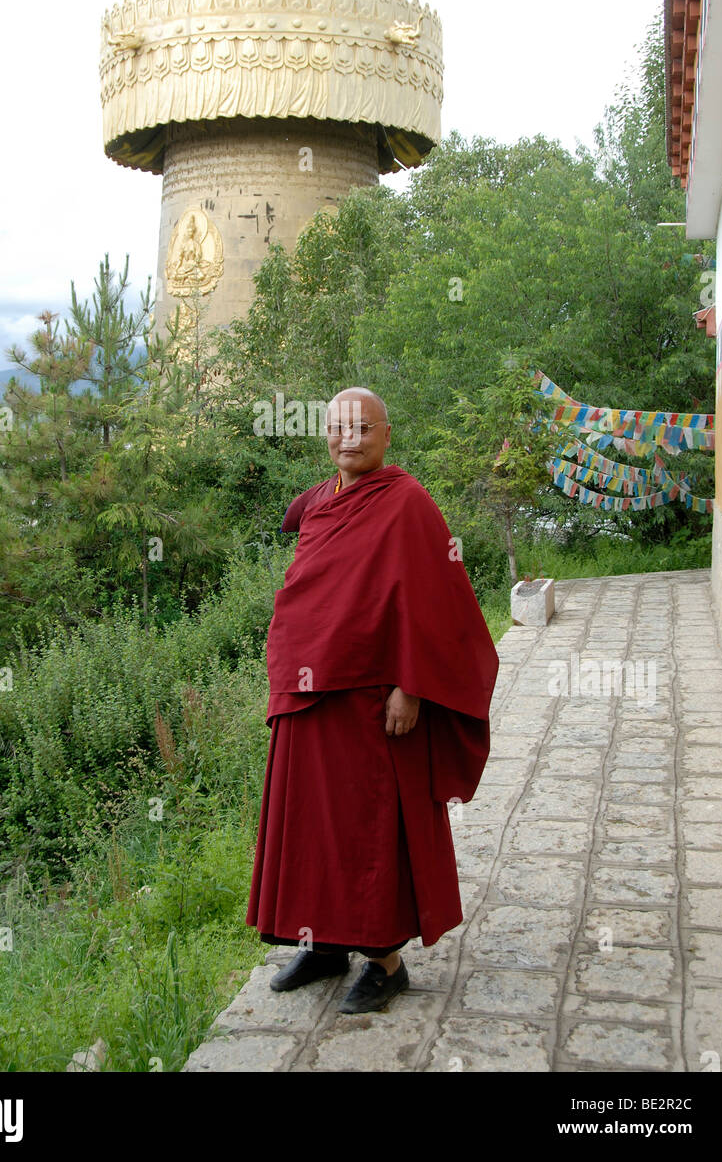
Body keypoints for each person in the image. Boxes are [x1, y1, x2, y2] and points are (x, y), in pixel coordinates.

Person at [246, 387, 499, 1013]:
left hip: (371, 701)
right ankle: (324, 942)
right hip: (308, 692)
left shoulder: (406, 505)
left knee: (366, 828)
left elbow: (436, 606)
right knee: (309, 821)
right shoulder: (319, 505)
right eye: (337, 428)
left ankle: (385, 962)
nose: (348, 439)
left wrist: (411, 685)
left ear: (386, 434)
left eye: (362, 427)